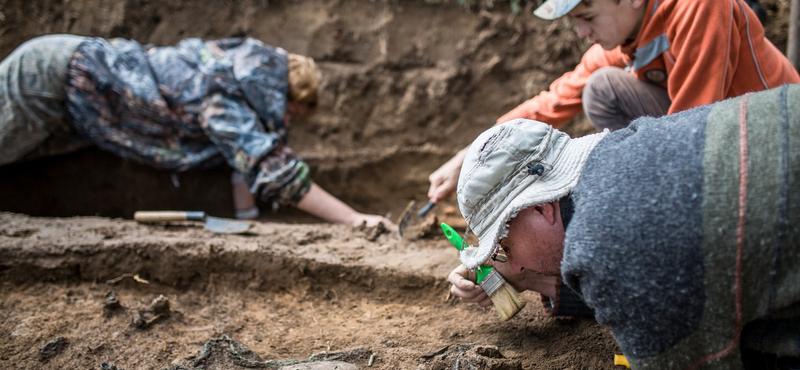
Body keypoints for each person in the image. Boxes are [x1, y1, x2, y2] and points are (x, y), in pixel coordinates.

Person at [447, 84, 800, 369]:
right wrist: (532, 280)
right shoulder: (625, 145)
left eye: (505, 247)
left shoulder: (608, 244)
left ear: (540, 206)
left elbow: (629, 277)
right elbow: (656, 285)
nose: (518, 264)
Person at [427, 0, 800, 206]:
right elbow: (552, 102)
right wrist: (470, 155)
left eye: (587, 17)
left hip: (775, 141)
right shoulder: (624, 43)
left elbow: (694, 120)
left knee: (610, 95)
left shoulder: (698, 6)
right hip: (715, 134)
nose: (583, 32)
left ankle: (671, 198)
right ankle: (658, 187)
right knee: (601, 87)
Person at [0, 34, 392, 228]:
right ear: (281, 96)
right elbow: (272, 169)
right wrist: (356, 220)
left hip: (71, 100)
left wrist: (249, 218)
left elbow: (241, 160)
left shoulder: (237, 70)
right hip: (50, 77)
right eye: (291, 114)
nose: (286, 126)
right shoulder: (223, 93)